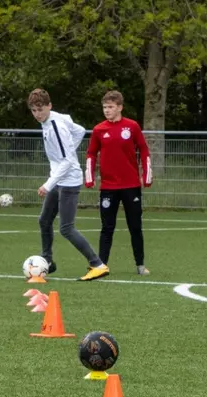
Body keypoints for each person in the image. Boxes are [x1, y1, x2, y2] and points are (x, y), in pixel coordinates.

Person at [28, 88, 109, 281]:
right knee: (44, 220)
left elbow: (66, 162)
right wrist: (68, 152)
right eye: (33, 110)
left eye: (40, 109)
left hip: (68, 181)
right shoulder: (53, 119)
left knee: (66, 228)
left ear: (49, 106)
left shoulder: (56, 127)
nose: (37, 114)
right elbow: (80, 130)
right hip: (59, 178)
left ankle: (97, 264)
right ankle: (47, 261)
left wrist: (48, 184)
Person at [85, 90, 152, 276]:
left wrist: (147, 174)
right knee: (107, 227)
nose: (107, 110)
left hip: (131, 186)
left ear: (120, 107)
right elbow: (90, 153)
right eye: (105, 107)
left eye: (111, 107)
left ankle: (140, 265)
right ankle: (101, 266)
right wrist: (89, 176)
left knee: (135, 226)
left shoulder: (131, 127)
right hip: (108, 187)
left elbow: (144, 149)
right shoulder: (99, 130)